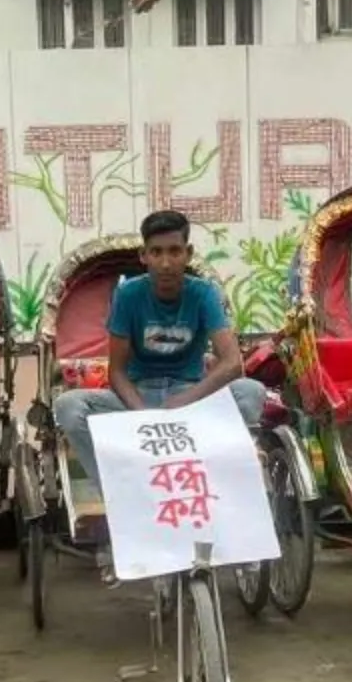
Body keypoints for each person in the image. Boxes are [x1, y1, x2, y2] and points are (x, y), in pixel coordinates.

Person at [52, 210, 265, 493]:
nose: (166, 263)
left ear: (187, 254)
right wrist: (145, 416)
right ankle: (117, 491)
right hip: (139, 398)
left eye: (175, 251)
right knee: (68, 406)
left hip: (192, 398)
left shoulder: (204, 293)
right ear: (144, 256)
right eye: (157, 252)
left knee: (252, 392)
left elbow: (231, 363)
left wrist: (186, 399)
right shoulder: (128, 295)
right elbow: (116, 371)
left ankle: (220, 480)